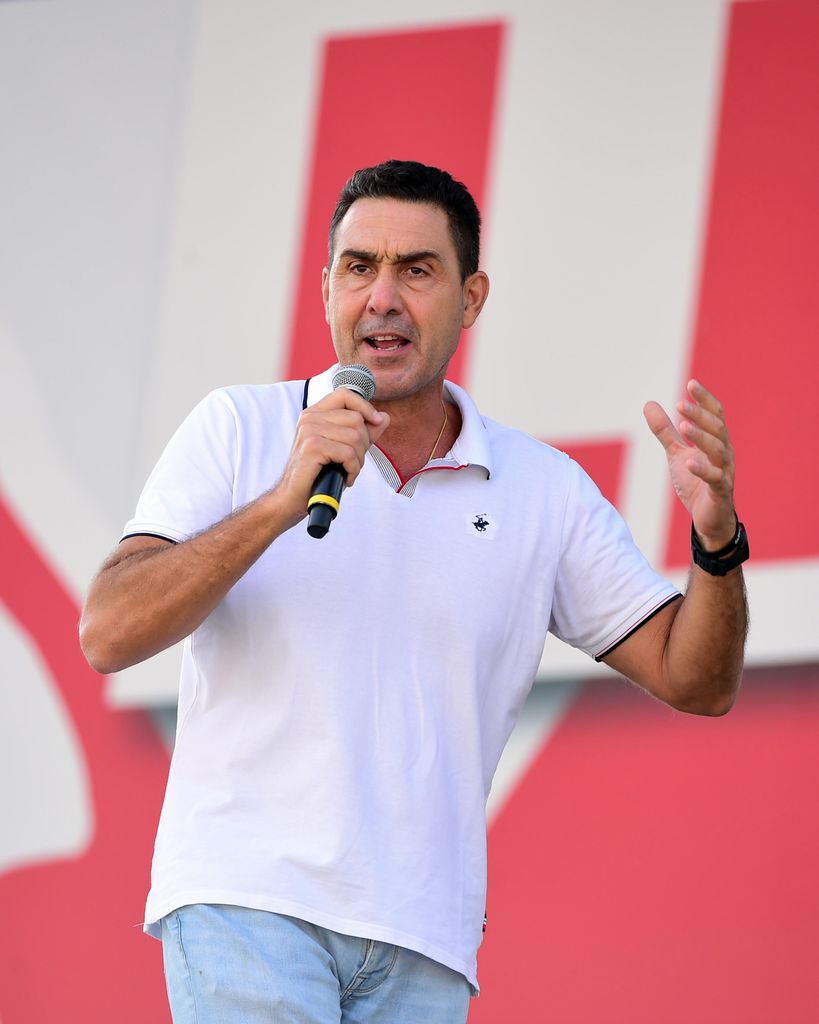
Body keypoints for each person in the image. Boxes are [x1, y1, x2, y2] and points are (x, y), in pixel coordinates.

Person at [80, 159, 748, 1023]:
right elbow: (109, 631)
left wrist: (716, 542)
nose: (383, 298)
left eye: (416, 270)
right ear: (326, 288)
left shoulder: (541, 487)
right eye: (359, 267)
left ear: (471, 298)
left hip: (423, 940)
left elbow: (696, 679)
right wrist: (282, 502)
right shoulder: (239, 427)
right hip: (248, 902)